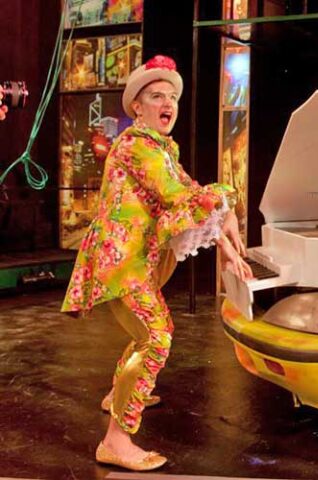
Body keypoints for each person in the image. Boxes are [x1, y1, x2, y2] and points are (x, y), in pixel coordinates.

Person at [61, 55, 253, 471]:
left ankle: (119, 395)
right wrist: (229, 208)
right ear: (137, 107)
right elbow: (176, 195)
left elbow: (189, 193)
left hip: (136, 261)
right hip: (121, 262)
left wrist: (227, 239)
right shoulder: (134, 146)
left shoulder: (161, 148)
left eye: (172, 96)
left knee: (147, 332)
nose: (167, 102)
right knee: (156, 336)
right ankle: (116, 439)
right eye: (156, 96)